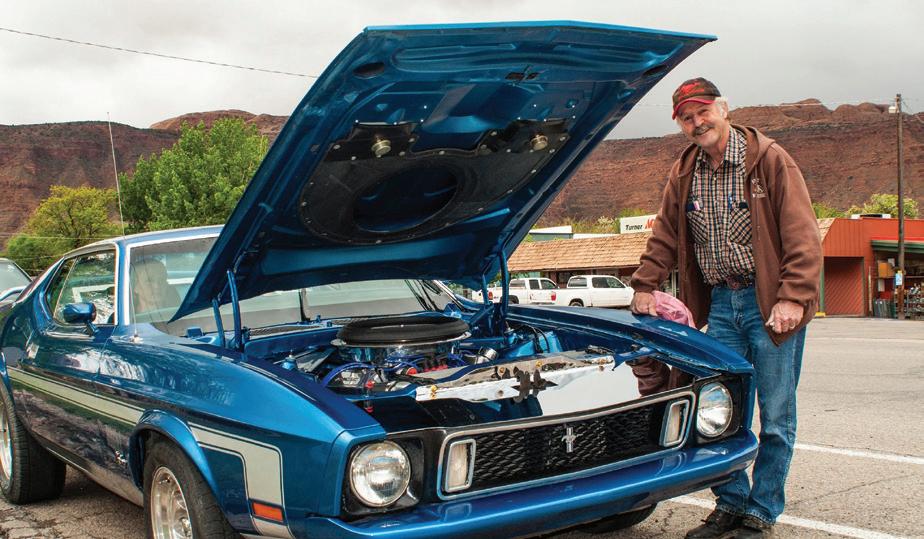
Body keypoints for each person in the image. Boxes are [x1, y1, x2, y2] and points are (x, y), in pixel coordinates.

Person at [629, 78, 822, 538]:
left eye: (703, 112)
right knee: (718, 410)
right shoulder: (684, 171)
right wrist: (644, 284)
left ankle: (762, 510)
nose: (698, 123)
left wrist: (793, 296)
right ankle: (731, 503)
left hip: (768, 303)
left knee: (776, 416)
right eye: (687, 118)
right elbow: (665, 235)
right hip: (720, 304)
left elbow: (802, 234)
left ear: (723, 108)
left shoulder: (769, 160)